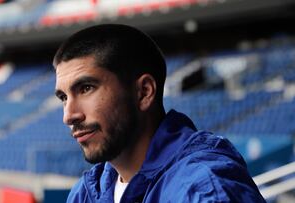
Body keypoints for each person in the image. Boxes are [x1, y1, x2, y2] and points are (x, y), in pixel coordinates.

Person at [53, 24, 265, 203]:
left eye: (86, 88)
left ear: (144, 92)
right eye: (63, 97)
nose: (69, 116)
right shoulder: (87, 192)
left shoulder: (203, 188)